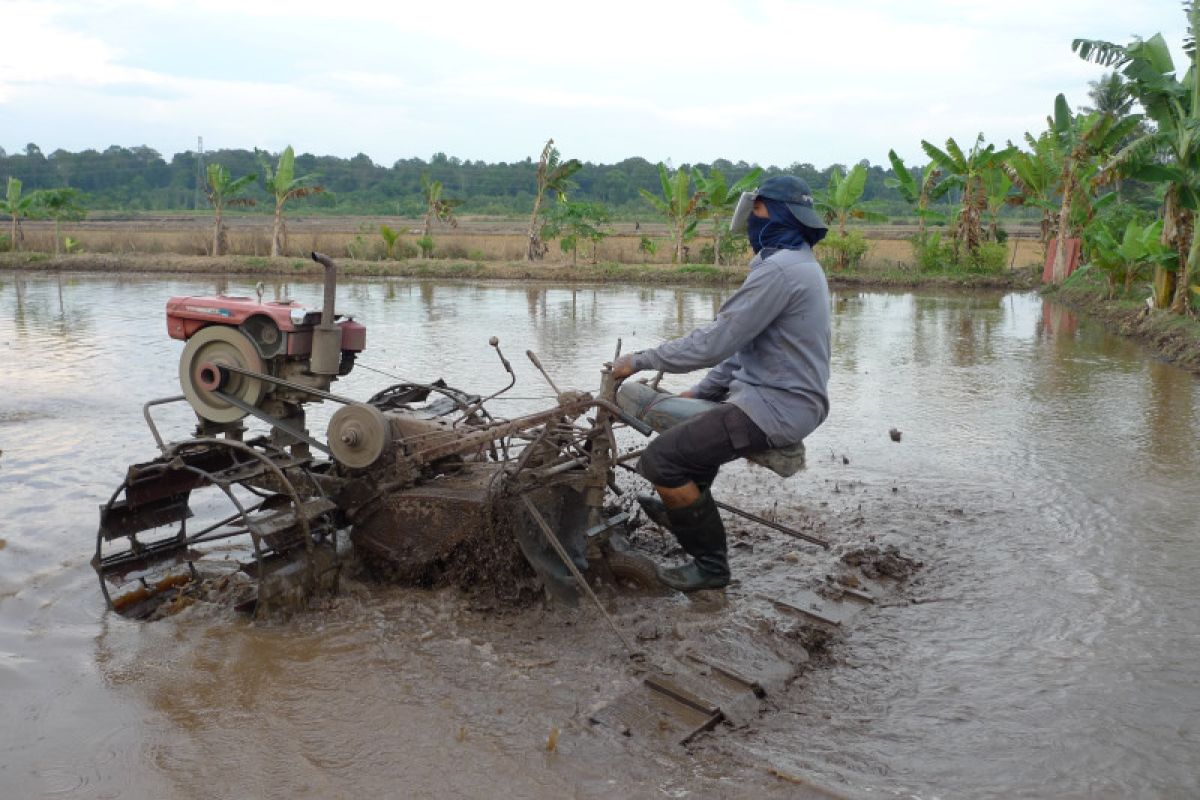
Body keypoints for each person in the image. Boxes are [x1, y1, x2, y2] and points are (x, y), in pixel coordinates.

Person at [611, 175, 832, 592]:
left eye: (758, 210)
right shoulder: (795, 263)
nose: (751, 218)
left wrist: (639, 360)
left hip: (775, 408)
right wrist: (704, 392)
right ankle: (683, 507)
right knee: (694, 438)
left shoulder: (781, 272)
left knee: (663, 461)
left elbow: (715, 341)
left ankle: (710, 567)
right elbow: (741, 350)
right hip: (777, 400)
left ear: (777, 212)